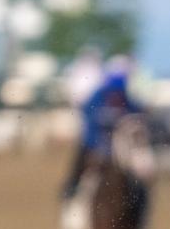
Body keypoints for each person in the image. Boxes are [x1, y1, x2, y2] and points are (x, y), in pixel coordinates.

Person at [61, 67, 145, 199]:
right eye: (114, 92)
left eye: (119, 93)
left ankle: (139, 200)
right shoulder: (96, 98)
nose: (116, 96)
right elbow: (89, 118)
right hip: (94, 142)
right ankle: (72, 188)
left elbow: (136, 115)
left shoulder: (127, 100)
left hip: (118, 146)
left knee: (137, 173)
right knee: (80, 160)